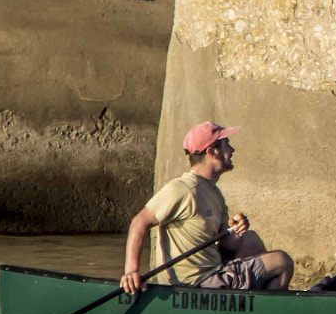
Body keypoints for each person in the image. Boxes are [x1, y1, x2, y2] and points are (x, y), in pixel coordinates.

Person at [119, 122, 294, 295]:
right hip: (196, 284)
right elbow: (139, 222)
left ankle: (250, 305)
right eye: (227, 145)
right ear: (212, 152)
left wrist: (236, 230)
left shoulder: (215, 194)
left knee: (250, 239)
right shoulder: (183, 189)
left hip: (213, 270)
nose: (232, 151)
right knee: (283, 261)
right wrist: (131, 271)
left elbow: (230, 244)